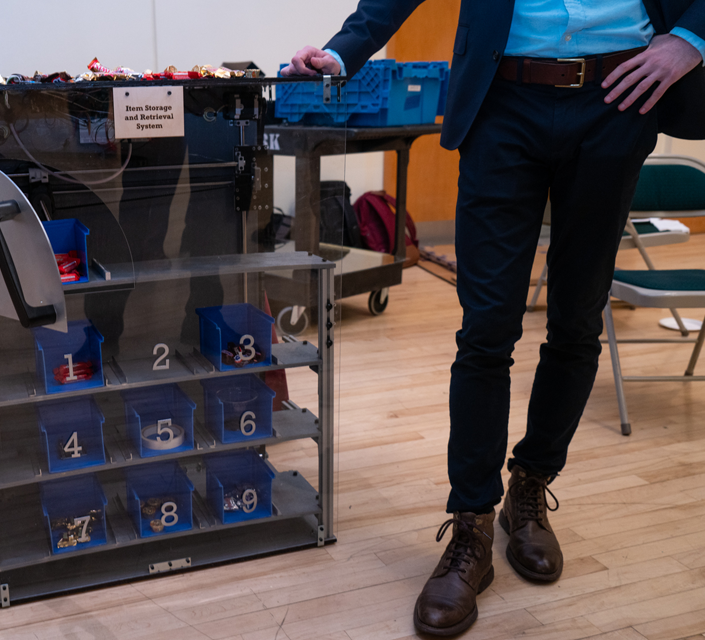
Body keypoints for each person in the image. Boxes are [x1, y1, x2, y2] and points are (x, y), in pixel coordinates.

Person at [283, 1, 705, 636]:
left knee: (577, 321)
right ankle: (471, 526)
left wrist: (692, 38)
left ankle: (530, 489)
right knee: (486, 328)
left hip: (620, 97)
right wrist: (343, 51)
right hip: (503, 100)